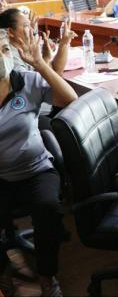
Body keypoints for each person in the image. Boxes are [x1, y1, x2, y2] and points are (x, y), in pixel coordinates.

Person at [0, 27, 78, 297]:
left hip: (37, 169)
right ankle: (3, 270)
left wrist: (41, 64)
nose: (1, 56)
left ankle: (47, 277)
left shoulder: (26, 81)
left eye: (4, 49)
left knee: (48, 209)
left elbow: (69, 99)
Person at [4, 8, 77, 76]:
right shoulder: (10, 57)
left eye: (30, 25)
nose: (32, 29)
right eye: (26, 25)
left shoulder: (27, 48)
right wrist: (45, 59)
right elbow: (39, 82)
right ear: (10, 32)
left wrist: (64, 43)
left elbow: (56, 71)